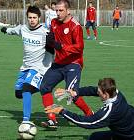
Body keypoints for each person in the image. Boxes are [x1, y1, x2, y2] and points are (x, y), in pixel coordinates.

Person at [40, 0, 93, 129]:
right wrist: (49, 43)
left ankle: (89, 114)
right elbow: (52, 40)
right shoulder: (53, 23)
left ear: (68, 11)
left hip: (73, 64)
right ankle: (52, 119)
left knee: (71, 94)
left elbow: (80, 47)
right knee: (44, 87)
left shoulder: (75, 26)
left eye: (60, 10)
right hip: (58, 63)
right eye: (56, 10)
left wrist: (61, 46)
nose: (57, 13)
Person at [0, 6, 54, 123]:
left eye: (34, 17)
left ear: (39, 18)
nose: (32, 20)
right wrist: (5, 30)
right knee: (18, 93)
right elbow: (13, 30)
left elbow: (54, 45)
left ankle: (26, 120)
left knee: (26, 89)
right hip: (25, 66)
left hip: (39, 68)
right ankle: (39, 86)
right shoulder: (23, 29)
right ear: (27, 18)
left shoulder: (45, 32)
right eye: (30, 17)